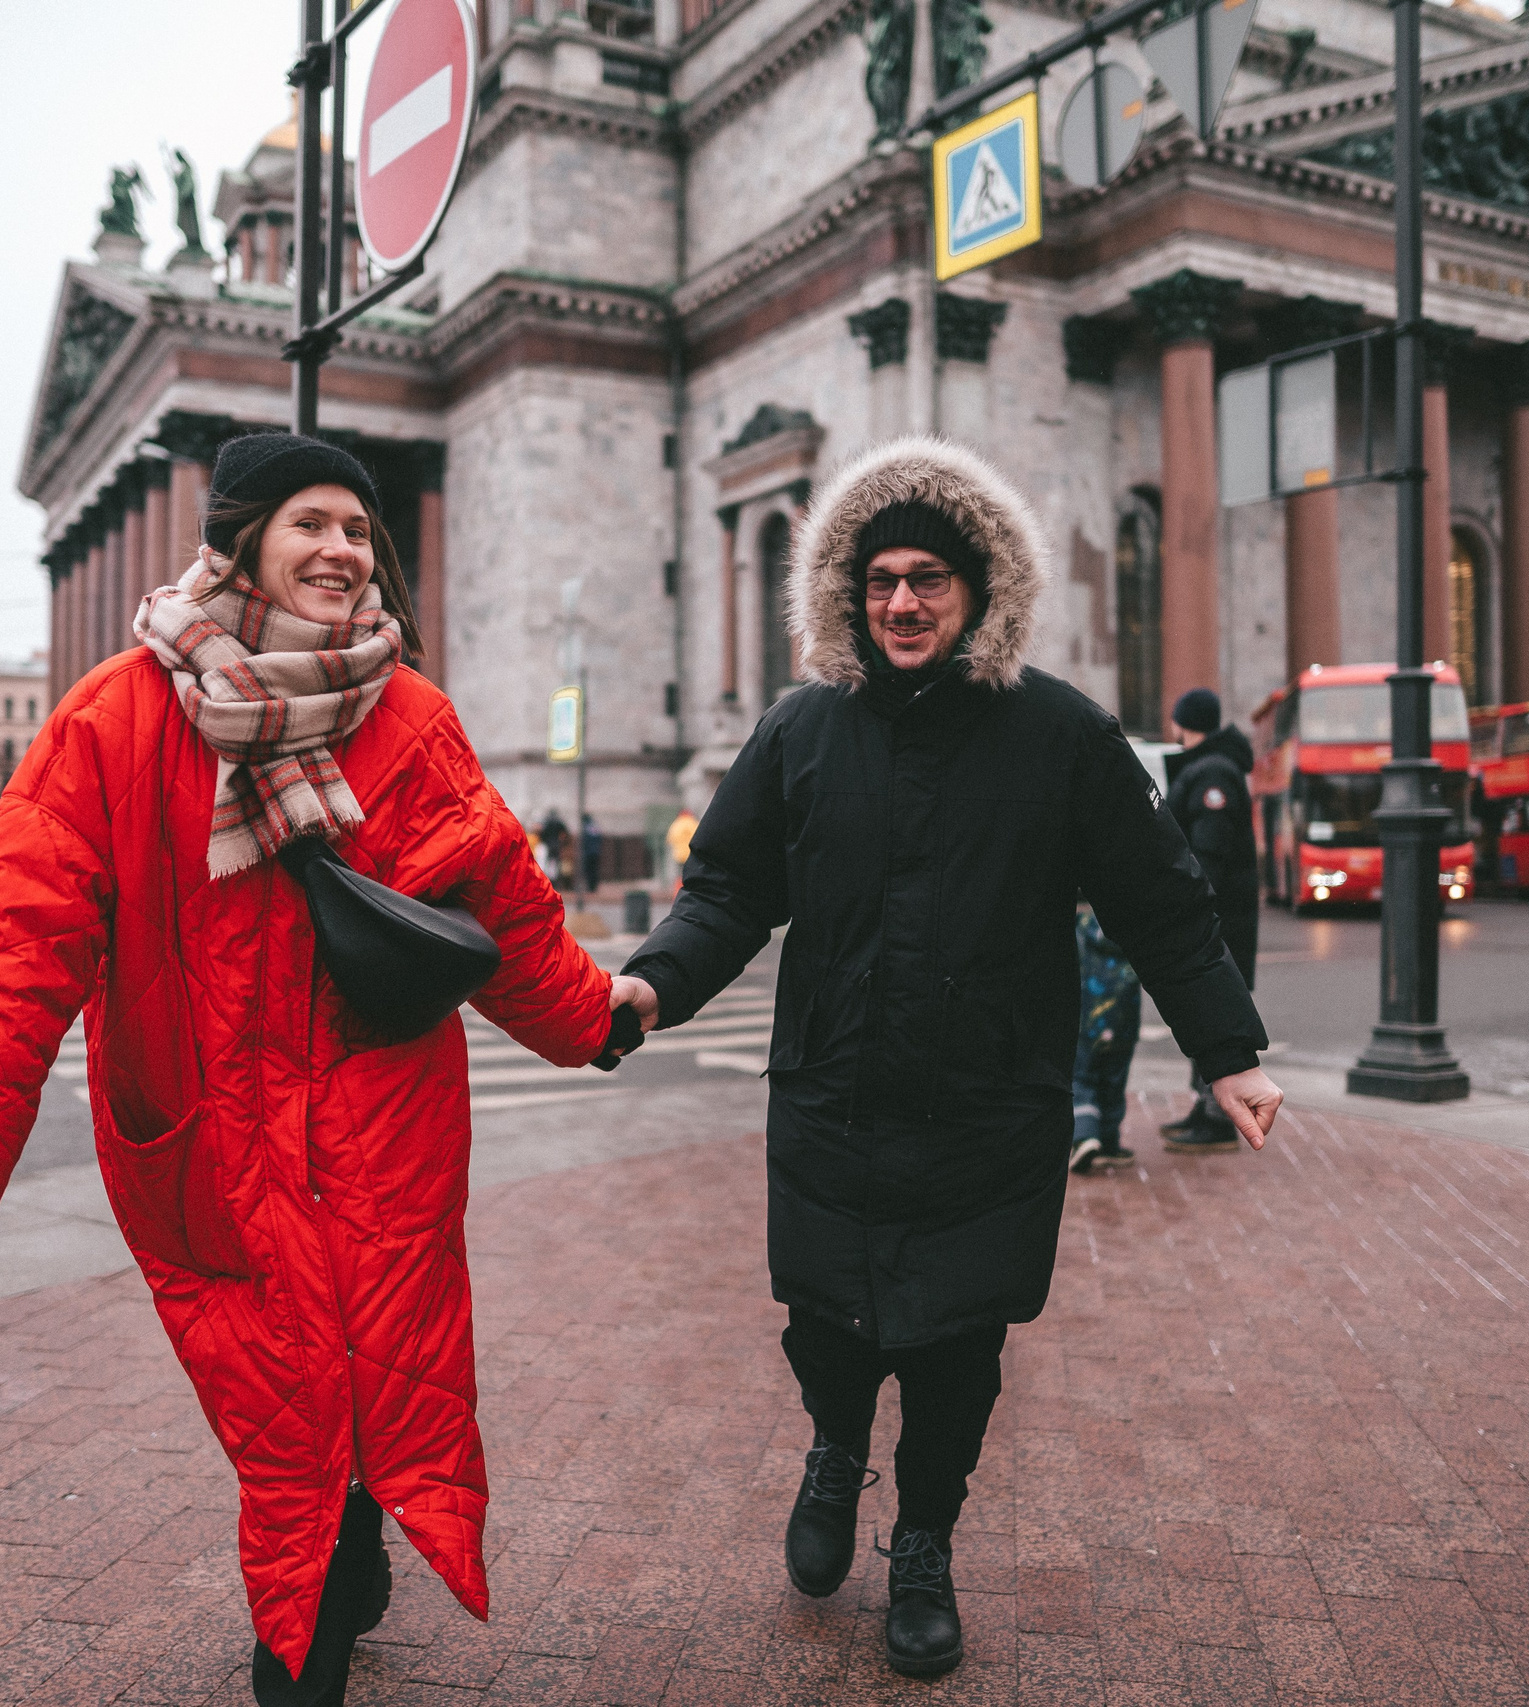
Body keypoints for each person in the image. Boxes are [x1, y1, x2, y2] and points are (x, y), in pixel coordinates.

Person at [0, 433, 629, 1707]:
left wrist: (590, 1019)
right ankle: (329, 1553)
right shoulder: (119, 714)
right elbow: (12, 928)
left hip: (384, 1123)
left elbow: (498, 897)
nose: (341, 550)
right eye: (307, 524)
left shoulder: (410, 714)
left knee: (377, 1352)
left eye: (356, 529)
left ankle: (320, 1593)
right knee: (276, 1379)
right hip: (209, 1130)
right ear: (241, 543)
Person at [605, 437, 1281, 1680]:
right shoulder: (801, 730)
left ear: (979, 590)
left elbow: (1160, 901)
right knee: (827, 1328)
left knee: (957, 1352)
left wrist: (1226, 1052)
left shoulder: (1059, 735)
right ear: (848, 594)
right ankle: (831, 1452)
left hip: (987, 1104)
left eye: (927, 579)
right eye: (879, 582)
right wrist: (651, 985)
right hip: (835, 1092)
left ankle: (922, 1543)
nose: (902, 602)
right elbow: (728, 890)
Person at [1159, 687, 1260, 1154]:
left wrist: (1190, 906)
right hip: (1218, 919)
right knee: (1205, 1011)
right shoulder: (1210, 767)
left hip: (1217, 922)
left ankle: (1219, 1119)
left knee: (1214, 1010)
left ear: (1184, 723)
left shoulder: (1213, 773)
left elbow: (1207, 855)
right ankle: (1206, 1107)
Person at [1070, 901, 1141, 1173]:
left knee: (1081, 1076)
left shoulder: (1080, 928)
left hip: (1086, 1020)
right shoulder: (1131, 930)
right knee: (1114, 1078)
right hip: (1123, 1024)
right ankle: (1110, 1142)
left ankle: (1085, 1135)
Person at [538, 807, 568, 888]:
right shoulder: (558, 822)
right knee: (556, 863)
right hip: (556, 844)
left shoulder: (547, 822)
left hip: (548, 844)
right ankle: (555, 881)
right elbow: (565, 832)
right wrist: (562, 840)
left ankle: (548, 881)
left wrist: (544, 840)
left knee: (548, 862)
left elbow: (542, 834)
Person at [580, 812, 603, 894]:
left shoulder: (585, 827)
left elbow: (584, 840)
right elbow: (600, 838)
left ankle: (590, 887)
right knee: (595, 869)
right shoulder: (595, 826)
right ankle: (594, 886)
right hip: (596, 851)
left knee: (589, 870)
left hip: (588, 852)